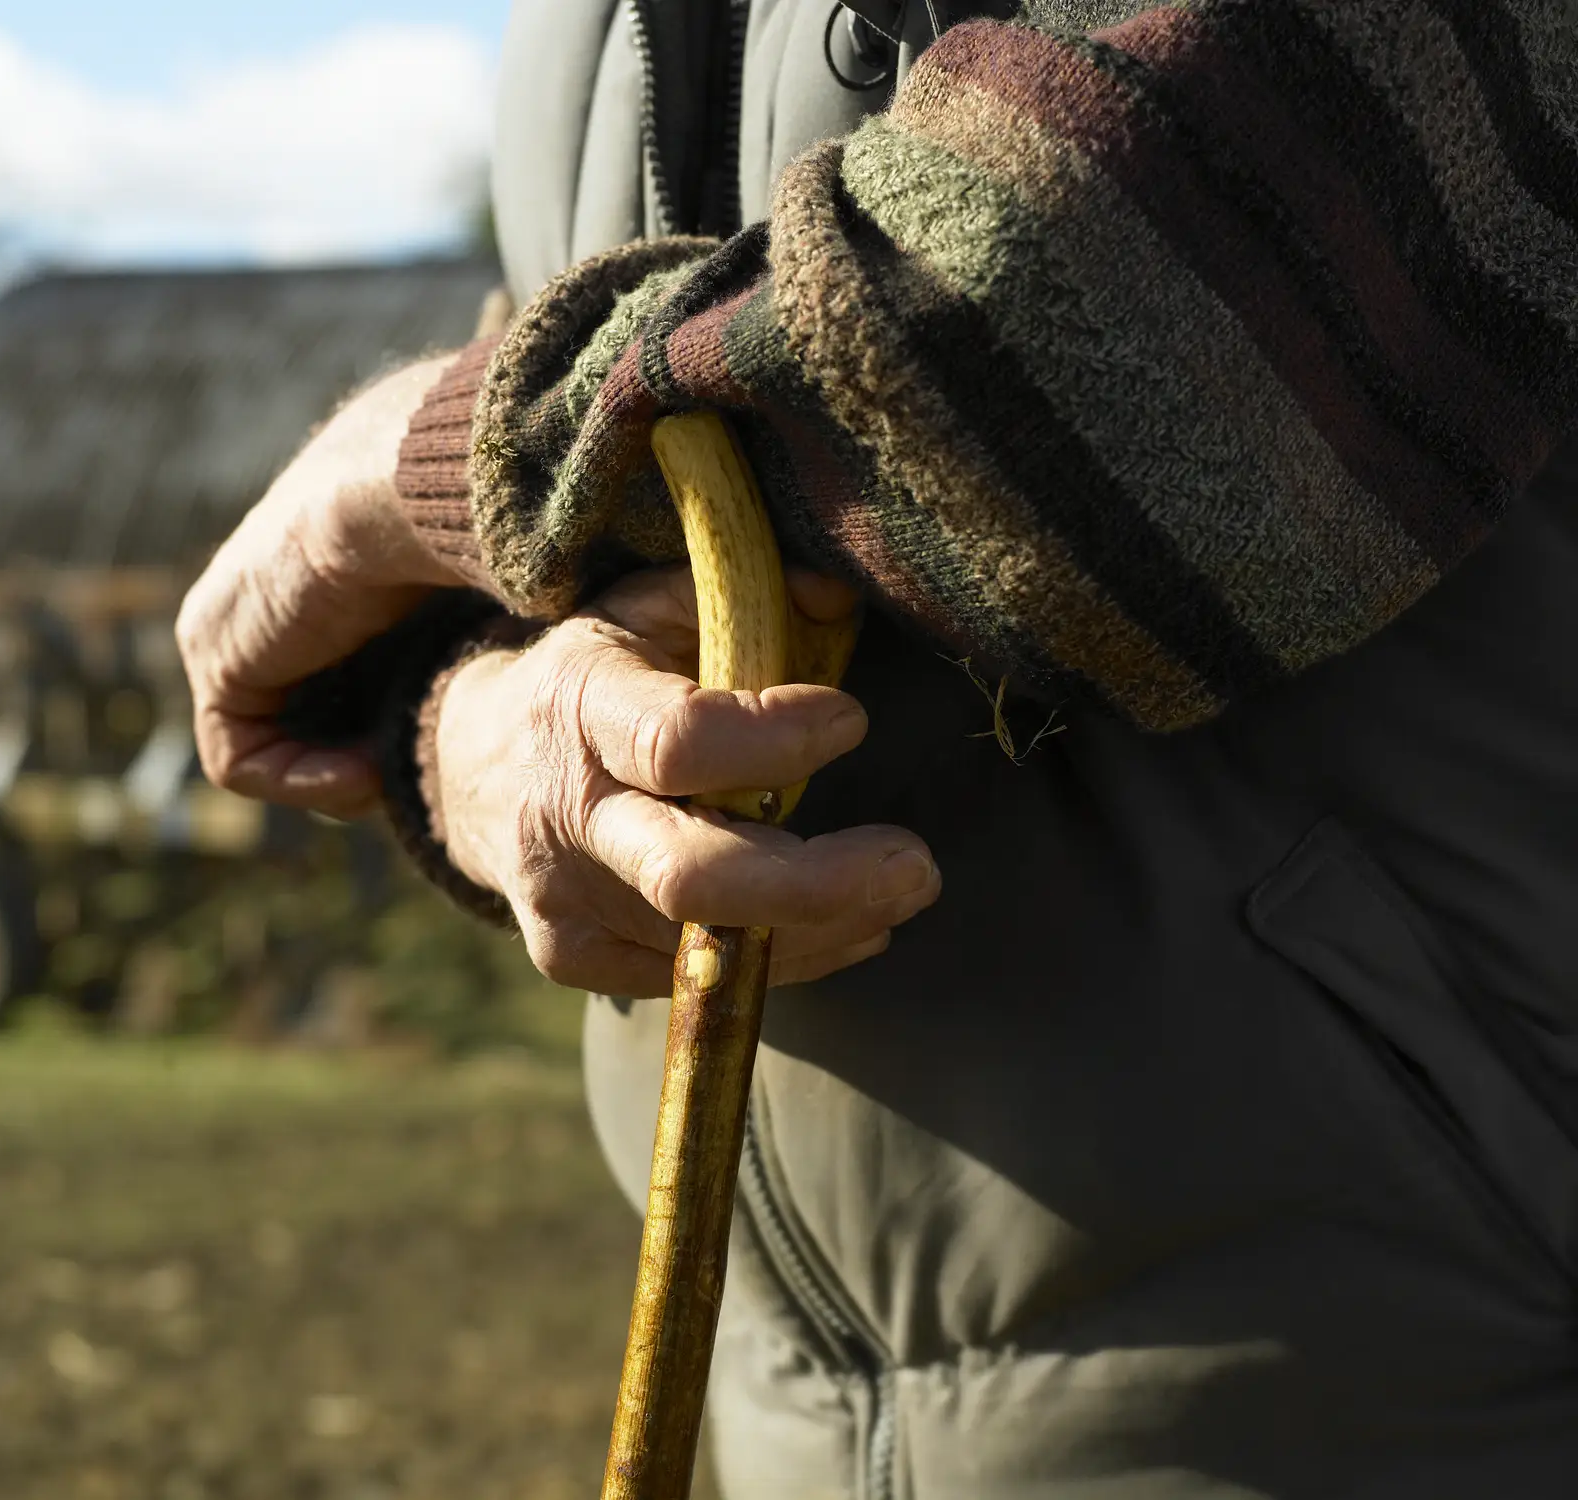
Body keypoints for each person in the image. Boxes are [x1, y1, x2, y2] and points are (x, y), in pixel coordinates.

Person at [178, 2, 1578, 1493]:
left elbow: (1086, 320)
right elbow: (556, 490)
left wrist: (416, 470)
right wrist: (479, 723)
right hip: (793, 1408)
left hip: (1424, 1372)